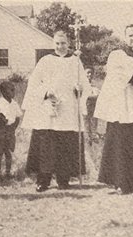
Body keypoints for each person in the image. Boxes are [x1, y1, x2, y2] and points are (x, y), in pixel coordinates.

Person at [21, 30, 91, 192]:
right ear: (53, 44)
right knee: (47, 145)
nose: (60, 47)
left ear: (69, 43)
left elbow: (84, 85)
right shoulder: (45, 61)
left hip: (68, 109)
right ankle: (43, 180)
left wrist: (79, 90)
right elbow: (34, 84)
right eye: (57, 43)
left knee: (65, 144)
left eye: (63, 43)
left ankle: (63, 179)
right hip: (49, 108)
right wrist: (46, 92)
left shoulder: (76, 61)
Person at [94, 24, 133, 194]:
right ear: (125, 37)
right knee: (124, 145)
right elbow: (117, 76)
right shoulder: (117, 56)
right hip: (124, 108)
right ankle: (124, 183)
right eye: (130, 35)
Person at [0, 81, 23, 180]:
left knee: (8, 151)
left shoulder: (14, 104)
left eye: (14, 90)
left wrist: (13, 127)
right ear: (4, 92)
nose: (14, 92)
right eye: (11, 90)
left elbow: (18, 117)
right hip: (0, 131)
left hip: (10, 131)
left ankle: (8, 172)